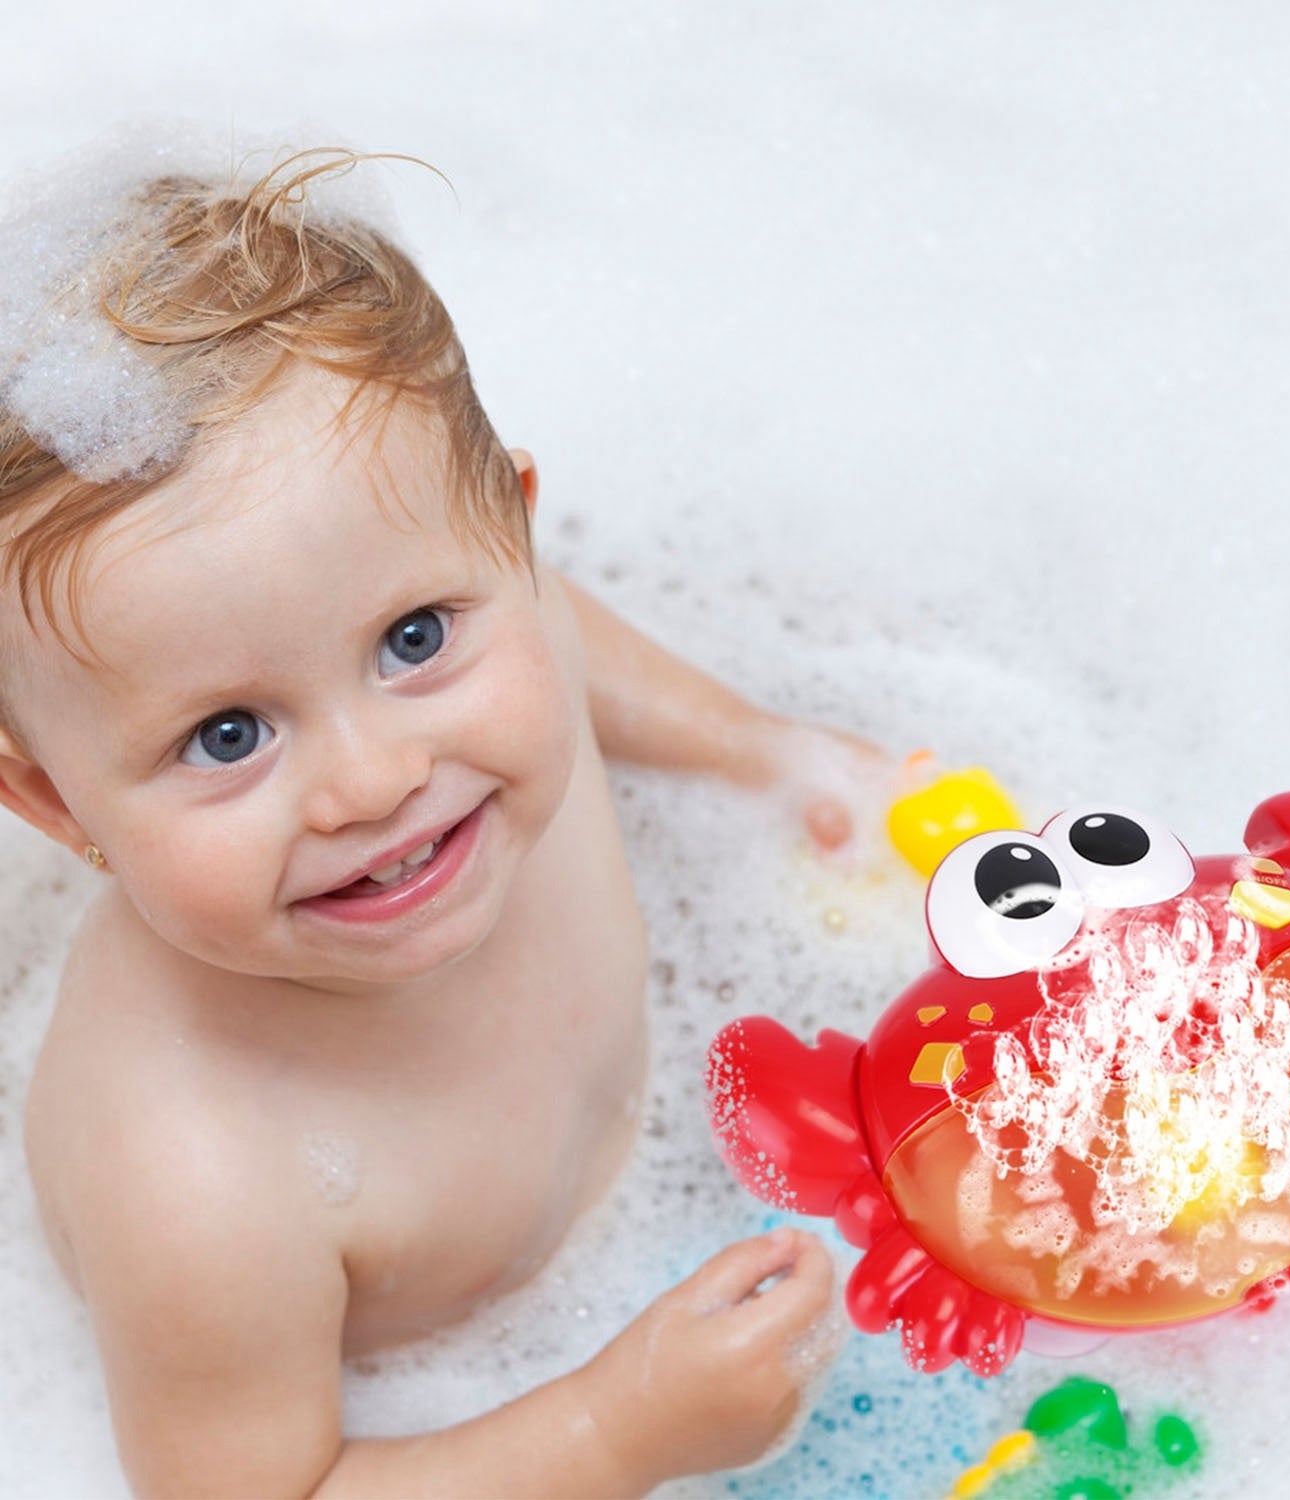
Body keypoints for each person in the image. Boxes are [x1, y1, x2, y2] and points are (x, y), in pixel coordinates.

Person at [0, 148, 879, 1497]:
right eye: (226, 735)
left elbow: (567, 640)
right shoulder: (196, 1177)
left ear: (515, 550)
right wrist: (612, 1432)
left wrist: (760, 753)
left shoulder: (501, 675)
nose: (373, 780)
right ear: (57, 804)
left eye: (411, 636)